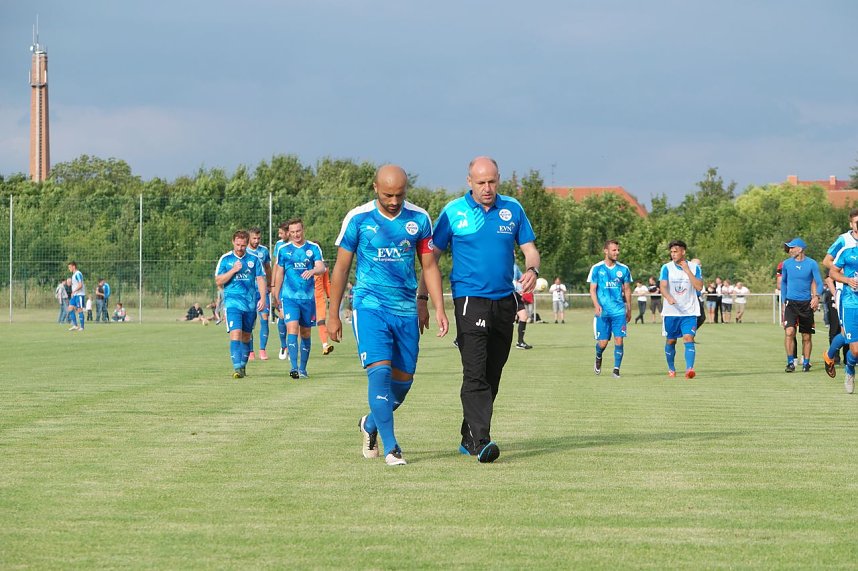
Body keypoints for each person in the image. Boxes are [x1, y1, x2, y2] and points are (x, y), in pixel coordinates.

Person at [327, 164, 449, 466]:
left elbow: (429, 266)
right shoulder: (358, 219)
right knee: (379, 373)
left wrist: (437, 307)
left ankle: (370, 424)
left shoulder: (419, 218)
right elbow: (341, 268)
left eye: (399, 194)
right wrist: (332, 314)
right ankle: (393, 447)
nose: (394, 201)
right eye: (387, 195)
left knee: (402, 384)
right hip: (370, 307)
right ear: (374, 188)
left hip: (406, 311)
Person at [431, 156, 540, 463]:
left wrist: (532, 270)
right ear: (469, 182)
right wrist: (426, 299)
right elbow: (432, 257)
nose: (487, 188)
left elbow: (530, 249)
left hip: (506, 300)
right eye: (481, 183)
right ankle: (482, 440)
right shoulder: (454, 212)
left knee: (493, 373)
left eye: (492, 181)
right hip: (469, 300)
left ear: (498, 180)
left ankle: (468, 436)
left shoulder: (513, 209)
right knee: (475, 371)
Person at [271, 218, 325, 379]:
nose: (296, 234)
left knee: (306, 333)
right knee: (292, 328)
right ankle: (293, 368)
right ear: (289, 233)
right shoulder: (284, 250)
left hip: (308, 299)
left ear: (303, 230)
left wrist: (313, 271)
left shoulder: (313, 248)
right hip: (289, 298)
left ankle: (303, 368)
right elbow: (279, 273)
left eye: (298, 231)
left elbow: (321, 267)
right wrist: (276, 294)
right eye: (292, 232)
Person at [215, 229, 267, 379]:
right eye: (237, 245)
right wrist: (233, 270)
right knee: (235, 333)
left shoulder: (254, 259)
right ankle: (237, 367)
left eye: (243, 245)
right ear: (233, 242)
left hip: (250, 305)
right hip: (232, 304)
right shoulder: (225, 259)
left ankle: (242, 365)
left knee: (246, 336)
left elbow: (261, 279)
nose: (240, 248)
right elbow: (218, 280)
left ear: (247, 244)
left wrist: (263, 298)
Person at [588, 240, 632, 378]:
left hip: (619, 311)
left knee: (619, 340)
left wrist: (629, 308)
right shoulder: (597, 268)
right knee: (603, 343)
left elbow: (627, 289)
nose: (617, 252)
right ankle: (598, 356)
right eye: (614, 250)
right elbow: (592, 289)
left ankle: (616, 370)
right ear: (606, 251)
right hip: (603, 313)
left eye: (618, 250)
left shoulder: (623, 269)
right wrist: (597, 305)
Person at [822, 208, 858, 377]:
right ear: (851, 223)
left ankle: (831, 356)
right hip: (845, 291)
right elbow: (827, 261)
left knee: (847, 334)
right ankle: (831, 357)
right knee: (846, 333)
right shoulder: (843, 240)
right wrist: (846, 276)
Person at [659, 240, 704, 379]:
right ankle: (671, 369)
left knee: (688, 337)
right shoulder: (666, 268)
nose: (673, 254)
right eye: (671, 252)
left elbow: (699, 287)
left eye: (675, 251)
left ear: (683, 252)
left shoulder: (695, 268)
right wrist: (668, 297)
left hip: (689, 311)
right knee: (671, 341)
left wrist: (687, 270)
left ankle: (689, 369)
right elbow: (663, 286)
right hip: (671, 312)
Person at [781, 237, 823, 373]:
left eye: (792, 247)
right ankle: (790, 363)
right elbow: (783, 283)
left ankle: (806, 362)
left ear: (800, 249)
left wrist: (816, 297)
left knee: (806, 336)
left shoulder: (812, 264)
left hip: (806, 304)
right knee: (789, 332)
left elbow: (820, 282)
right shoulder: (786, 264)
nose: (790, 250)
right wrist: (783, 300)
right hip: (791, 303)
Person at [828, 245, 858, 393]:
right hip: (850, 303)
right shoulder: (848, 252)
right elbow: (832, 272)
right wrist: (848, 280)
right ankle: (850, 368)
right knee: (855, 349)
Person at [247, 227, 272, 360]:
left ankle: (262, 350)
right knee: (250, 322)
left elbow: (268, 268)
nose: (256, 241)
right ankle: (250, 351)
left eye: (258, 238)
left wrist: (270, 285)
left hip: (262, 291)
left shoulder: (264, 251)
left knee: (265, 319)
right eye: (254, 238)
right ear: (249, 238)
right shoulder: (244, 251)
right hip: (249, 293)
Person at [314, 261, 334, 355]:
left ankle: (325, 345)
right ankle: (293, 347)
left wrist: (330, 296)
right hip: (305, 298)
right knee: (301, 325)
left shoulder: (324, 267)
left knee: (321, 321)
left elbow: (326, 282)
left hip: (319, 299)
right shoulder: (303, 264)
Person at [513, 264, 533, 349]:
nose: (514, 254)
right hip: (505, 293)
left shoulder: (515, 266)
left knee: (523, 316)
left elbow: (522, 278)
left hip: (515, 294)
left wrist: (529, 282)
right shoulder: (500, 262)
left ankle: (520, 342)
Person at [67, 261, 86, 331]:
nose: (69, 269)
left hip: (79, 294)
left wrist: (74, 291)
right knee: (70, 308)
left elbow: (80, 285)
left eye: (70, 267)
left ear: (73, 266)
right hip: (75, 295)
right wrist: (70, 283)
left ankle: (82, 327)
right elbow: (75, 284)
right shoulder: (73, 275)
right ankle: (75, 325)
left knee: (79, 309)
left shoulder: (78, 274)